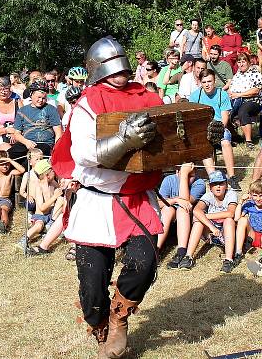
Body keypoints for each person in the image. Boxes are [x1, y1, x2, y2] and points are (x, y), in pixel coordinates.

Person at [50, 37, 173, 358]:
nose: (119, 73)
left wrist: (204, 135)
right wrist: (123, 140)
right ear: (97, 71)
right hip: (96, 199)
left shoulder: (147, 96)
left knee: (144, 265)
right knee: (92, 281)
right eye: (110, 67)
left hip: (137, 196)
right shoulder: (88, 102)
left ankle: (119, 318)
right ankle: (99, 322)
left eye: (122, 65)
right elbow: (83, 152)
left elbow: (171, 137)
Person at [189, 69, 239, 190]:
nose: (207, 84)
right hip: (203, 129)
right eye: (204, 82)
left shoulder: (222, 94)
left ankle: (232, 177)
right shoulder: (195, 96)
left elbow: (224, 119)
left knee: (226, 142)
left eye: (209, 81)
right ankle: (213, 177)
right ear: (200, 82)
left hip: (219, 127)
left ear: (214, 81)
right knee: (204, 144)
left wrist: (217, 130)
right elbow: (193, 118)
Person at [184, 171, 239, 272]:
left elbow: (230, 213)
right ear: (210, 187)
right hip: (211, 231)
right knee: (198, 221)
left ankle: (229, 259)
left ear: (226, 185)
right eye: (214, 184)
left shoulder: (231, 194)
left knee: (229, 221)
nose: (218, 187)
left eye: (221, 183)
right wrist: (211, 227)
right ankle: (188, 257)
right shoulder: (208, 195)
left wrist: (206, 216)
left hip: (226, 232)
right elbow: (196, 210)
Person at [159, 163, 206, 267]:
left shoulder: (200, 183)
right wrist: (175, 200)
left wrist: (184, 175)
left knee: (182, 208)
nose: (189, 178)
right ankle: (155, 251)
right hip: (169, 218)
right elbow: (159, 203)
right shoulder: (169, 179)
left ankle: (181, 251)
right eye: (186, 175)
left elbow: (185, 201)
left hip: (187, 218)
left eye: (191, 176)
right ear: (177, 172)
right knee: (168, 209)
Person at [17, 159, 65, 251]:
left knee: (61, 199)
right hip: (40, 216)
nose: (54, 173)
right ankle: (24, 239)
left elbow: (60, 191)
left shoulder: (53, 183)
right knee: (38, 226)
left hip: (51, 215)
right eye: (52, 171)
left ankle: (51, 224)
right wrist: (54, 197)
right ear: (47, 175)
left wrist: (61, 187)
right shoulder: (39, 187)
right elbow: (42, 208)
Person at [8, 81, 61, 162]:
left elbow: (58, 132)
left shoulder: (51, 109)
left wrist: (56, 149)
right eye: (38, 97)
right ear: (31, 95)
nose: (41, 100)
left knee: (33, 158)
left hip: (45, 144)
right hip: (26, 143)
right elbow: (17, 134)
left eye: (44, 98)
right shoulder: (22, 111)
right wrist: (26, 142)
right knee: (9, 155)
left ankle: (25, 170)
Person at [234, 179, 262, 266]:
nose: (258, 198)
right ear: (251, 195)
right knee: (242, 220)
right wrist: (241, 202)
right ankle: (238, 252)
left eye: (261, 196)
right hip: (252, 235)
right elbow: (237, 218)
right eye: (255, 195)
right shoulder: (250, 204)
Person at [225, 53, 262, 149]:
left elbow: (255, 90)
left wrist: (239, 95)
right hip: (237, 100)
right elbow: (231, 88)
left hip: (253, 100)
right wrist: (231, 94)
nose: (241, 64)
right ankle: (234, 136)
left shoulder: (255, 73)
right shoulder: (237, 75)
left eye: (243, 61)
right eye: (239, 62)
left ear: (248, 62)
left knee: (243, 110)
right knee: (225, 112)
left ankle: (248, 140)